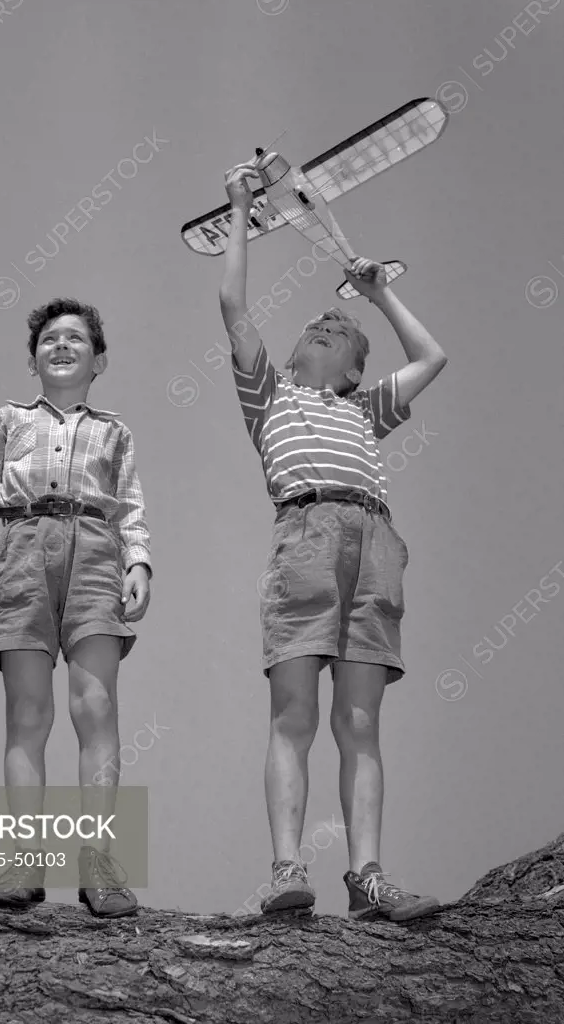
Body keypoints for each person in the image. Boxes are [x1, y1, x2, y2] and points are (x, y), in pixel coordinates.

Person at [219, 160, 447, 922]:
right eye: (316, 327)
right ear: (291, 358)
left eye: (341, 334)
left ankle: (368, 877)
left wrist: (377, 293)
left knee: (358, 721)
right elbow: (231, 303)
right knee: (293, 713)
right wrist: (240, 206)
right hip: (306, 531)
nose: (325, 326)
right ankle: (286, 868)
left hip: (375, 540)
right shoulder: (269, 394)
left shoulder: (367, 410)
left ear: (355, 374)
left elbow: (430, 357)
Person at [0, 298, 151, 917]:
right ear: (33, 358)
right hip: (23, 551)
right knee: (28, 715)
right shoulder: (9, 418)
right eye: (49, 339)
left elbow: (131, 505)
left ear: (100, 360)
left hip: (95, 553)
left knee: (95, 706)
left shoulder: (114, 431)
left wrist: (138, 561)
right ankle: (25, 859)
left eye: (76, 339)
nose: (61, 346)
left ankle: (97, 861)